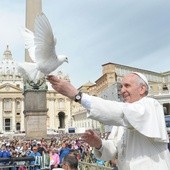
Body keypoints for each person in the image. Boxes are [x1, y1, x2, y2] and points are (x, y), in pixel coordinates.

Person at [47, 72, 170, 170]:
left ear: (142, 89)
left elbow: (121, 111)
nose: (122, 90)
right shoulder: (123, 122)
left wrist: (77, 95)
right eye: (121, 86)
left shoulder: (151, 106)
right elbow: (115, 150)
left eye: (127, 85)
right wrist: (99, 144)